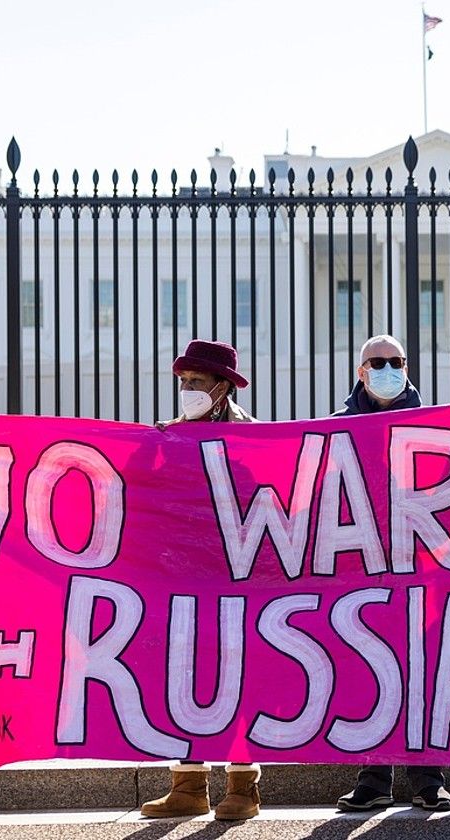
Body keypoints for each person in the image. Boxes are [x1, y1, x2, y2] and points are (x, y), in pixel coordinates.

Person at [140, 339, 263, 821]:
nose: (187, 389)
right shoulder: (166, 436)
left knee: (238, 678)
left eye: (196, 382)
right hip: (181, 577)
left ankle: (243, 785)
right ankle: (188, 785)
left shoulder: (256, 438)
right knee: (182, 678)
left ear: (222, 387)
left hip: (236, 574)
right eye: (183, 382)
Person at [333, 334, 450, 813]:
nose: (387, 368)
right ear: (361, 372)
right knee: (368, 670)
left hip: (420, 562)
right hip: (361, 564)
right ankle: (373, 776)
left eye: (395, 361)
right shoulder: (337, 427)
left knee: (421, 669)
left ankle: (428, 779)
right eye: (377, 362)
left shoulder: (434, 424)